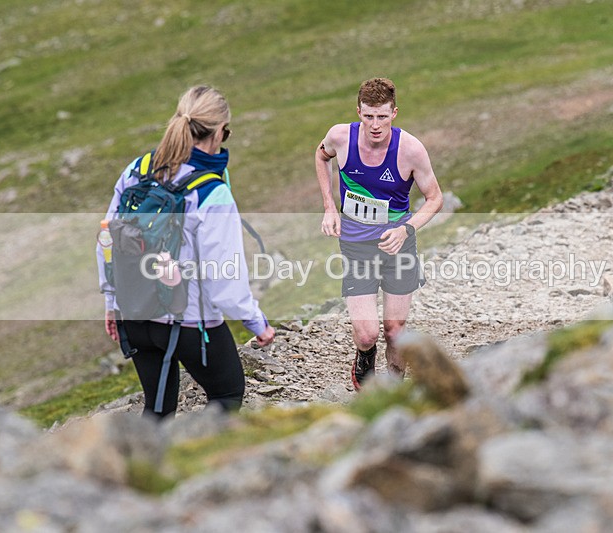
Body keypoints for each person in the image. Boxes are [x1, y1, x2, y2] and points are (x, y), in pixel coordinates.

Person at [97, 85, 275, 418]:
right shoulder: (211, 192)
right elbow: (224, 276)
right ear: (220, 131)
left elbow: (106, 238)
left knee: (158, 409)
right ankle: (201, 467)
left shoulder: (138, 169)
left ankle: (150, 469)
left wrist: (112, 302)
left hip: (134, 312)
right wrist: (257, 323)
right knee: (227, 393)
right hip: (190, 322)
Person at [315, 78, 443, 390]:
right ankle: (364, 356)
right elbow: (321, 156)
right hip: (357, 245)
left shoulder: (411, 150)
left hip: (398, 245)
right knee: (368, 333)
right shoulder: (340, 137)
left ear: (394, 113)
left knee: (395, 331)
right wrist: (330, 206)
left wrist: (405, 229)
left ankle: (393, 391)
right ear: (358, 111)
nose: (375, 125)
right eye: (368, 116)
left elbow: (435, 198)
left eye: (382, 117)